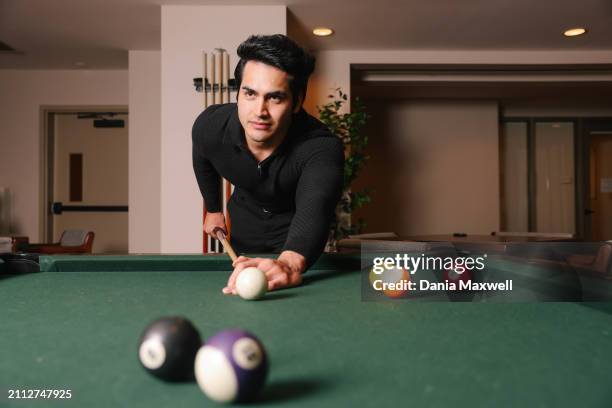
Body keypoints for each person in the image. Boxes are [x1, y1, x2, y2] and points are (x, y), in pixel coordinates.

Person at [192, 34, 344, 294]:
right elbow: (202, 155)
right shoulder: (210, 126)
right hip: (243, 223)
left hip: (295, 229)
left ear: (297, 102)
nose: (259, 111)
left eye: (275, 98)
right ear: (237, 93)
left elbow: (315, 208)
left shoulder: (321, 148)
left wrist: (290, 264)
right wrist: (214, 208)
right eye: (250, 93)